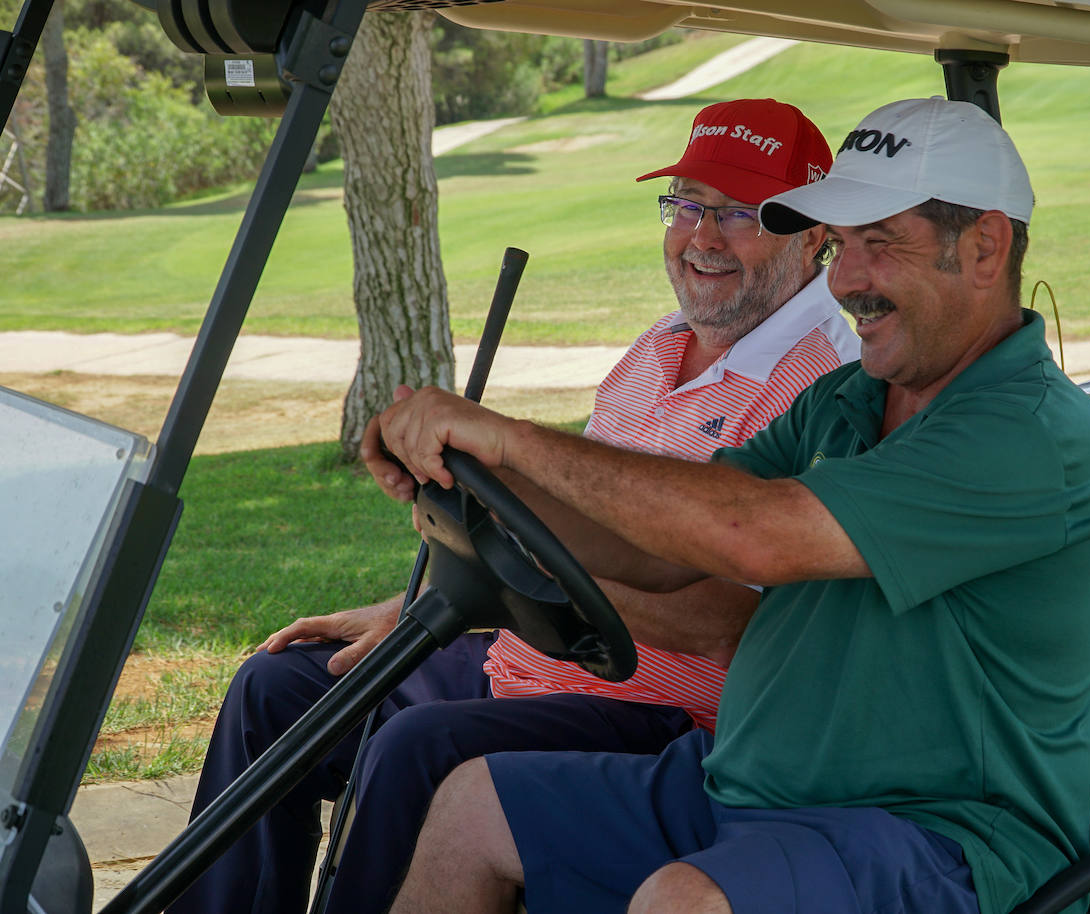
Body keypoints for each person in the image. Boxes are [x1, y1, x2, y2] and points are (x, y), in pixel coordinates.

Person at [369, 97, 1090, 914]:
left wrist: (511, 439)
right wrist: (488, 483)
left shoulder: (1031, 435)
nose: (845, 280)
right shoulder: (848, 400)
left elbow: (753, 536)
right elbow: (665, 551)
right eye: (840, 245)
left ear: (984, 247)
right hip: (747, 790)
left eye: (879, 244)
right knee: (471, 809)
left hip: (938, 837)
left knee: (684, 900)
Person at [168, 98, 857, 914]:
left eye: (740, 214)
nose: (702, 237)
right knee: (273, 693)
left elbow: (732, 624)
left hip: (664, 714)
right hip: (529, 666)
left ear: (814, 233)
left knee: (413, 747)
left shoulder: (823, 388)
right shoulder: (657, 347)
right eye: (687, 206)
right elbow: (555, 538)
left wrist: (510, 584)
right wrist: (420, 607)